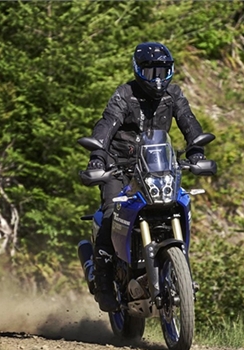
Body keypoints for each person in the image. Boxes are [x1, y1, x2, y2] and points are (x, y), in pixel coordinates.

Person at [86, 42, 210, 312]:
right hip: (120, 167)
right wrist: (97, 157)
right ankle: (104, 283)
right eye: (150, 71)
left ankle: (179, 272)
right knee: (111, 213)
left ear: (171, 70)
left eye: (162, 71)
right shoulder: (124, 95)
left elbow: (189, 121)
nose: (157, 78)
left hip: (158, 167)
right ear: (137, 70)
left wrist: (197, 152)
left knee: (180, 203)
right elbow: (107, 123)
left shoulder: (173, 95)